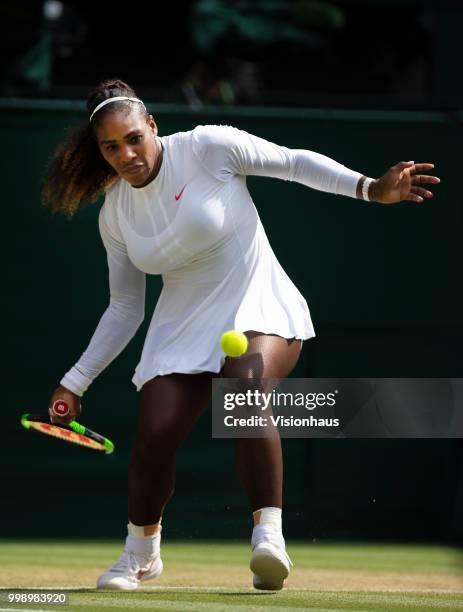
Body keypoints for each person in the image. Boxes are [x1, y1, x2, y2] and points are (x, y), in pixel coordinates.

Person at [41, 78, 439, 591]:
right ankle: (141, 554)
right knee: (155, 434)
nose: (127, 154)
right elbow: (124, 308)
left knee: (244, 394)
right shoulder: (115, 212)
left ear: (152, 127)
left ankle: (268, 538)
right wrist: (75, 382)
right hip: (181, 323)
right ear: (99, 150)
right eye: (111, 146)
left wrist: (369, 188)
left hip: (258, 303)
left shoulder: (209, 146)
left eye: (134, 138)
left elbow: (294, 163)